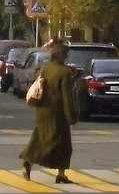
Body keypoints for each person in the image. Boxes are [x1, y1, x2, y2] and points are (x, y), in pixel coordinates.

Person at [19, 39, 78, 184]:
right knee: (61, 144)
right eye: (67, 55)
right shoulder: (64, 73)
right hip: (57, 113)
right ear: (63, 56)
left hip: (42, 110)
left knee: (40, 139)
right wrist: (72, 118)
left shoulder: (46, 67)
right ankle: (58, 172)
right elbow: (67, 98)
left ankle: (36, 165)